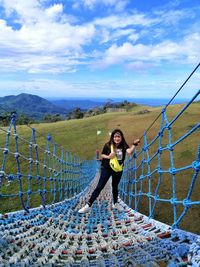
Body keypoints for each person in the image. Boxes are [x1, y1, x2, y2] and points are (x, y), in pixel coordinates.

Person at [78, 129, 140, 213]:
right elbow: (102, 155)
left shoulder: (123, 145)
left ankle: (115, 203)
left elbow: (129, 151)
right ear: (113, 137)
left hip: (118, 169)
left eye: (119, 136)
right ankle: (88, 205)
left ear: (121, 137)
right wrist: (109, 156)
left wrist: (134, 144)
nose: (117, 138)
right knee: (100, 186)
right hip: (106, 168)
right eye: (115, 136)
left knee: (115, 186)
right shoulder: (108, 145)